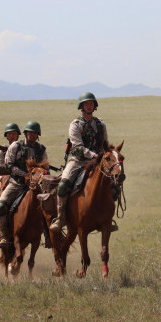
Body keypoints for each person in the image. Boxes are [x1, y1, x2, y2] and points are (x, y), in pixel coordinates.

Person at [49, 92, 117, 233]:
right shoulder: (75, 124)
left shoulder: (101, 124)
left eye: (91, 103)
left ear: (94, 105)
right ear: (81, 106)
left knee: (114, 183)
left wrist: (105, 156)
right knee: (62, 186)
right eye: (86, 103)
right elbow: (78, 146)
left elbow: (105, 143)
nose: (89, 105)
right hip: (78, 161)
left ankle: (108, 218)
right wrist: (94, 154)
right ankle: (61, 218)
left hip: (97, 161)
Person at [0, 121, 48, 247]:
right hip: (16, 183)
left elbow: (46, 168)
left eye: (34, 133)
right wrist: (23, 174)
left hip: (36, 185)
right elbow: (8, 165)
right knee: (1, 205)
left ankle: (48, 236)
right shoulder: (15, 146)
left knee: (49, 206)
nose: (32, 134)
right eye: (29, 132)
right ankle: (3, 235)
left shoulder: (41, 149)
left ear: (37, 135)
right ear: (25, 133)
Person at [0, 122, 21, 234]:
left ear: (18, 135)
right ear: (6, 135)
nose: (11, 136)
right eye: (9, 134)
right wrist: (4, 175)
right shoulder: (2, 149)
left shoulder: (22, 148)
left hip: (19, 178)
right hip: (4, 178)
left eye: (14, 133)